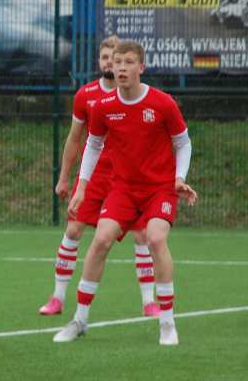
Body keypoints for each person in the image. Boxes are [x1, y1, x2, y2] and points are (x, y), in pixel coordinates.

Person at [53, 40, 197, 345]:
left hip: (159, 188)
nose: (121, 67)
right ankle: (79, 319)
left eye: (129, 62)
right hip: (123, 189)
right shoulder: (104, 107)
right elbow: (92, 145)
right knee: (101, 239)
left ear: (141, 68)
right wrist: (81, 187)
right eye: (117, 62)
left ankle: (168, 323)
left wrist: (179, 178)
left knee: (155, 238)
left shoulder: (162, 103)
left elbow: (183, 142)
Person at [40, 36, 158, 318]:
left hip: (127, 178)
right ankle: (57, 298)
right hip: (93, 177)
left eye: (115, 58)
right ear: (101, 61)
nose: (110, 62)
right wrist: (64, 178)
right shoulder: (86, 95)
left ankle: (149, 302)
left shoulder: (139, 96)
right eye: (106, 57)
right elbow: (74, 139)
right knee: (73, 230)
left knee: (142, 234)